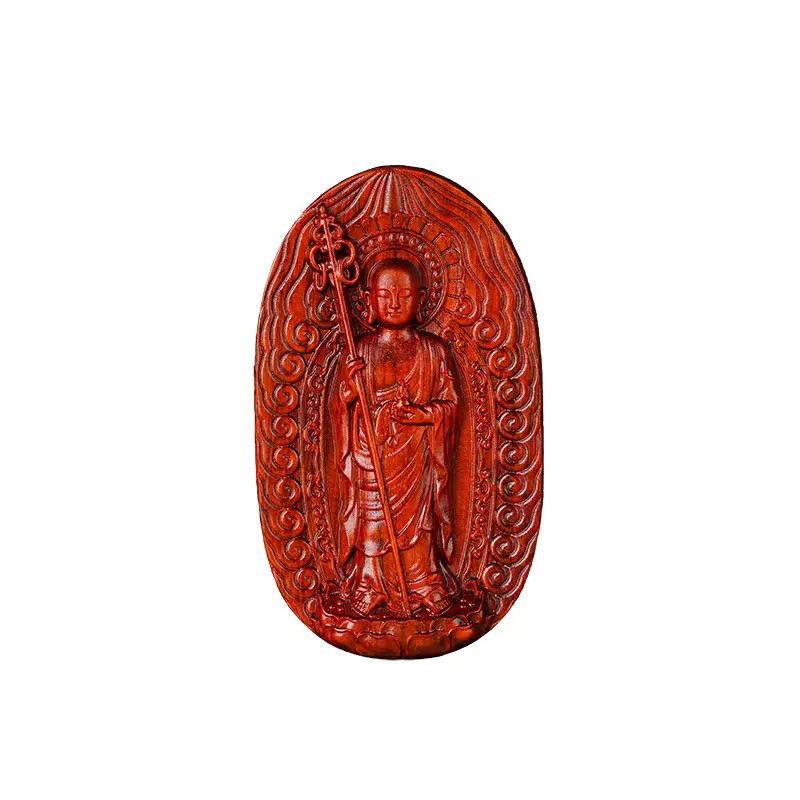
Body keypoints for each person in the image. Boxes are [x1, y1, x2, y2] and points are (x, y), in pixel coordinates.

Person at [332, 257, 459, 616]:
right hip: (371, 454)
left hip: (416, 456)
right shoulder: (361, 351)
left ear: (422, 298)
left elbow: (451, 404)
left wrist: (424, 415)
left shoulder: (434, 352)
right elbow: (342, 407)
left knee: (419, 524)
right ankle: (370, 582)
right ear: (369, 300)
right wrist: (348, 392)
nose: (394, 303)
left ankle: (423, 581)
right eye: (385, 295)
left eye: (404, 295)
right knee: (374, 519)